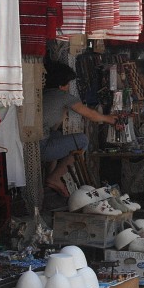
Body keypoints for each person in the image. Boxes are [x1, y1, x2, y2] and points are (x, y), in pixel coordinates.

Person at [42, 60, 117, 198]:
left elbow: (54, 127)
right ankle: (54, 178)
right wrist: (109, 119)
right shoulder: (63, 96)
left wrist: (62, 111)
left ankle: (50, 178)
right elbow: (91, 115)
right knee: (82, 141)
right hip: (42, 147)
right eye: (68, 84)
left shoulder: (47, 94)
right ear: (61, 85)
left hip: (38, 144)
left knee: (57, 135)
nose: (69, 87)